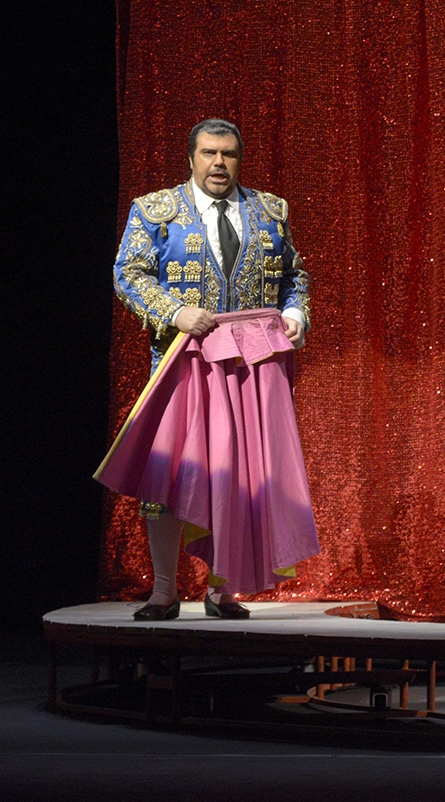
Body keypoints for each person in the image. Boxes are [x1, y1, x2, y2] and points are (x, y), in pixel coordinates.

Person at [111, 118, 311, 619]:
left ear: (239, 159)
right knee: (169, 473)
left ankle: (222, 592)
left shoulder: (269, 211)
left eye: (228, 154)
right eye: (209, 153)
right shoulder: (155, 211)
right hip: (183, 361)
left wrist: (294, 313)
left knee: (237, 473)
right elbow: (127, 273)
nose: (219, 163)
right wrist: (175, 312)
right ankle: (163, 592)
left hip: (250, 365)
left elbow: (294, 276)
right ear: (191, 158)